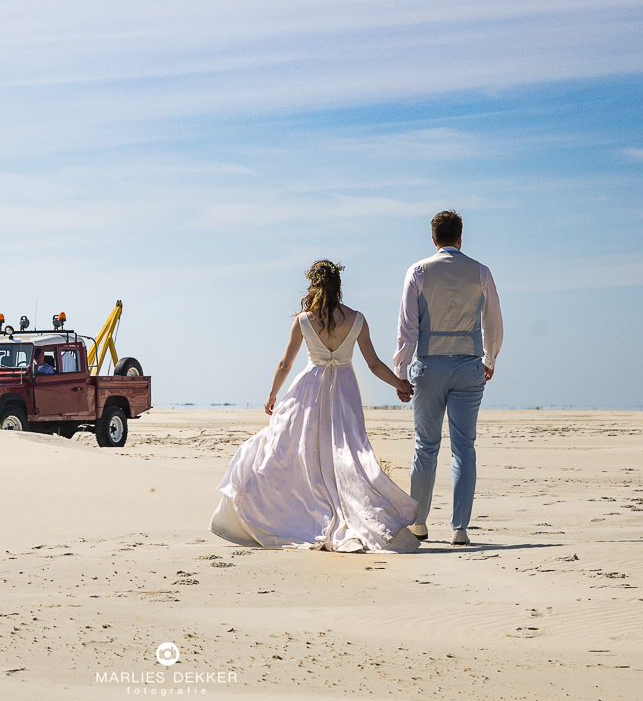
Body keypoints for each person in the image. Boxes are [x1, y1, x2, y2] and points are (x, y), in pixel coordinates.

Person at [210, 260, 423, 552]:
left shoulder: (303, 320)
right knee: (345, 452)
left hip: (309, 388)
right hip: (344, 391)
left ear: (313, 285)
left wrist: (272, 394)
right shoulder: (357, 319)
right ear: (339, 286)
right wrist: (399, 384)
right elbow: (373, 364)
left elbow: (286, 363)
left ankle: (295, 509)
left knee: (297, 450)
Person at [394, 210, 503, 547]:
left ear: (433, 239)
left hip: (429, 365)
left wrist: (400, 371)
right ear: (460, 237)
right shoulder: (481, 272)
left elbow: (407, 329)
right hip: (468, 366)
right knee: (463, 448)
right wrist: (490, 358)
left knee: (425, 447)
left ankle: (420, 523)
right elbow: (493, 322)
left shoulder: (417, 271)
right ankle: (459, 528)